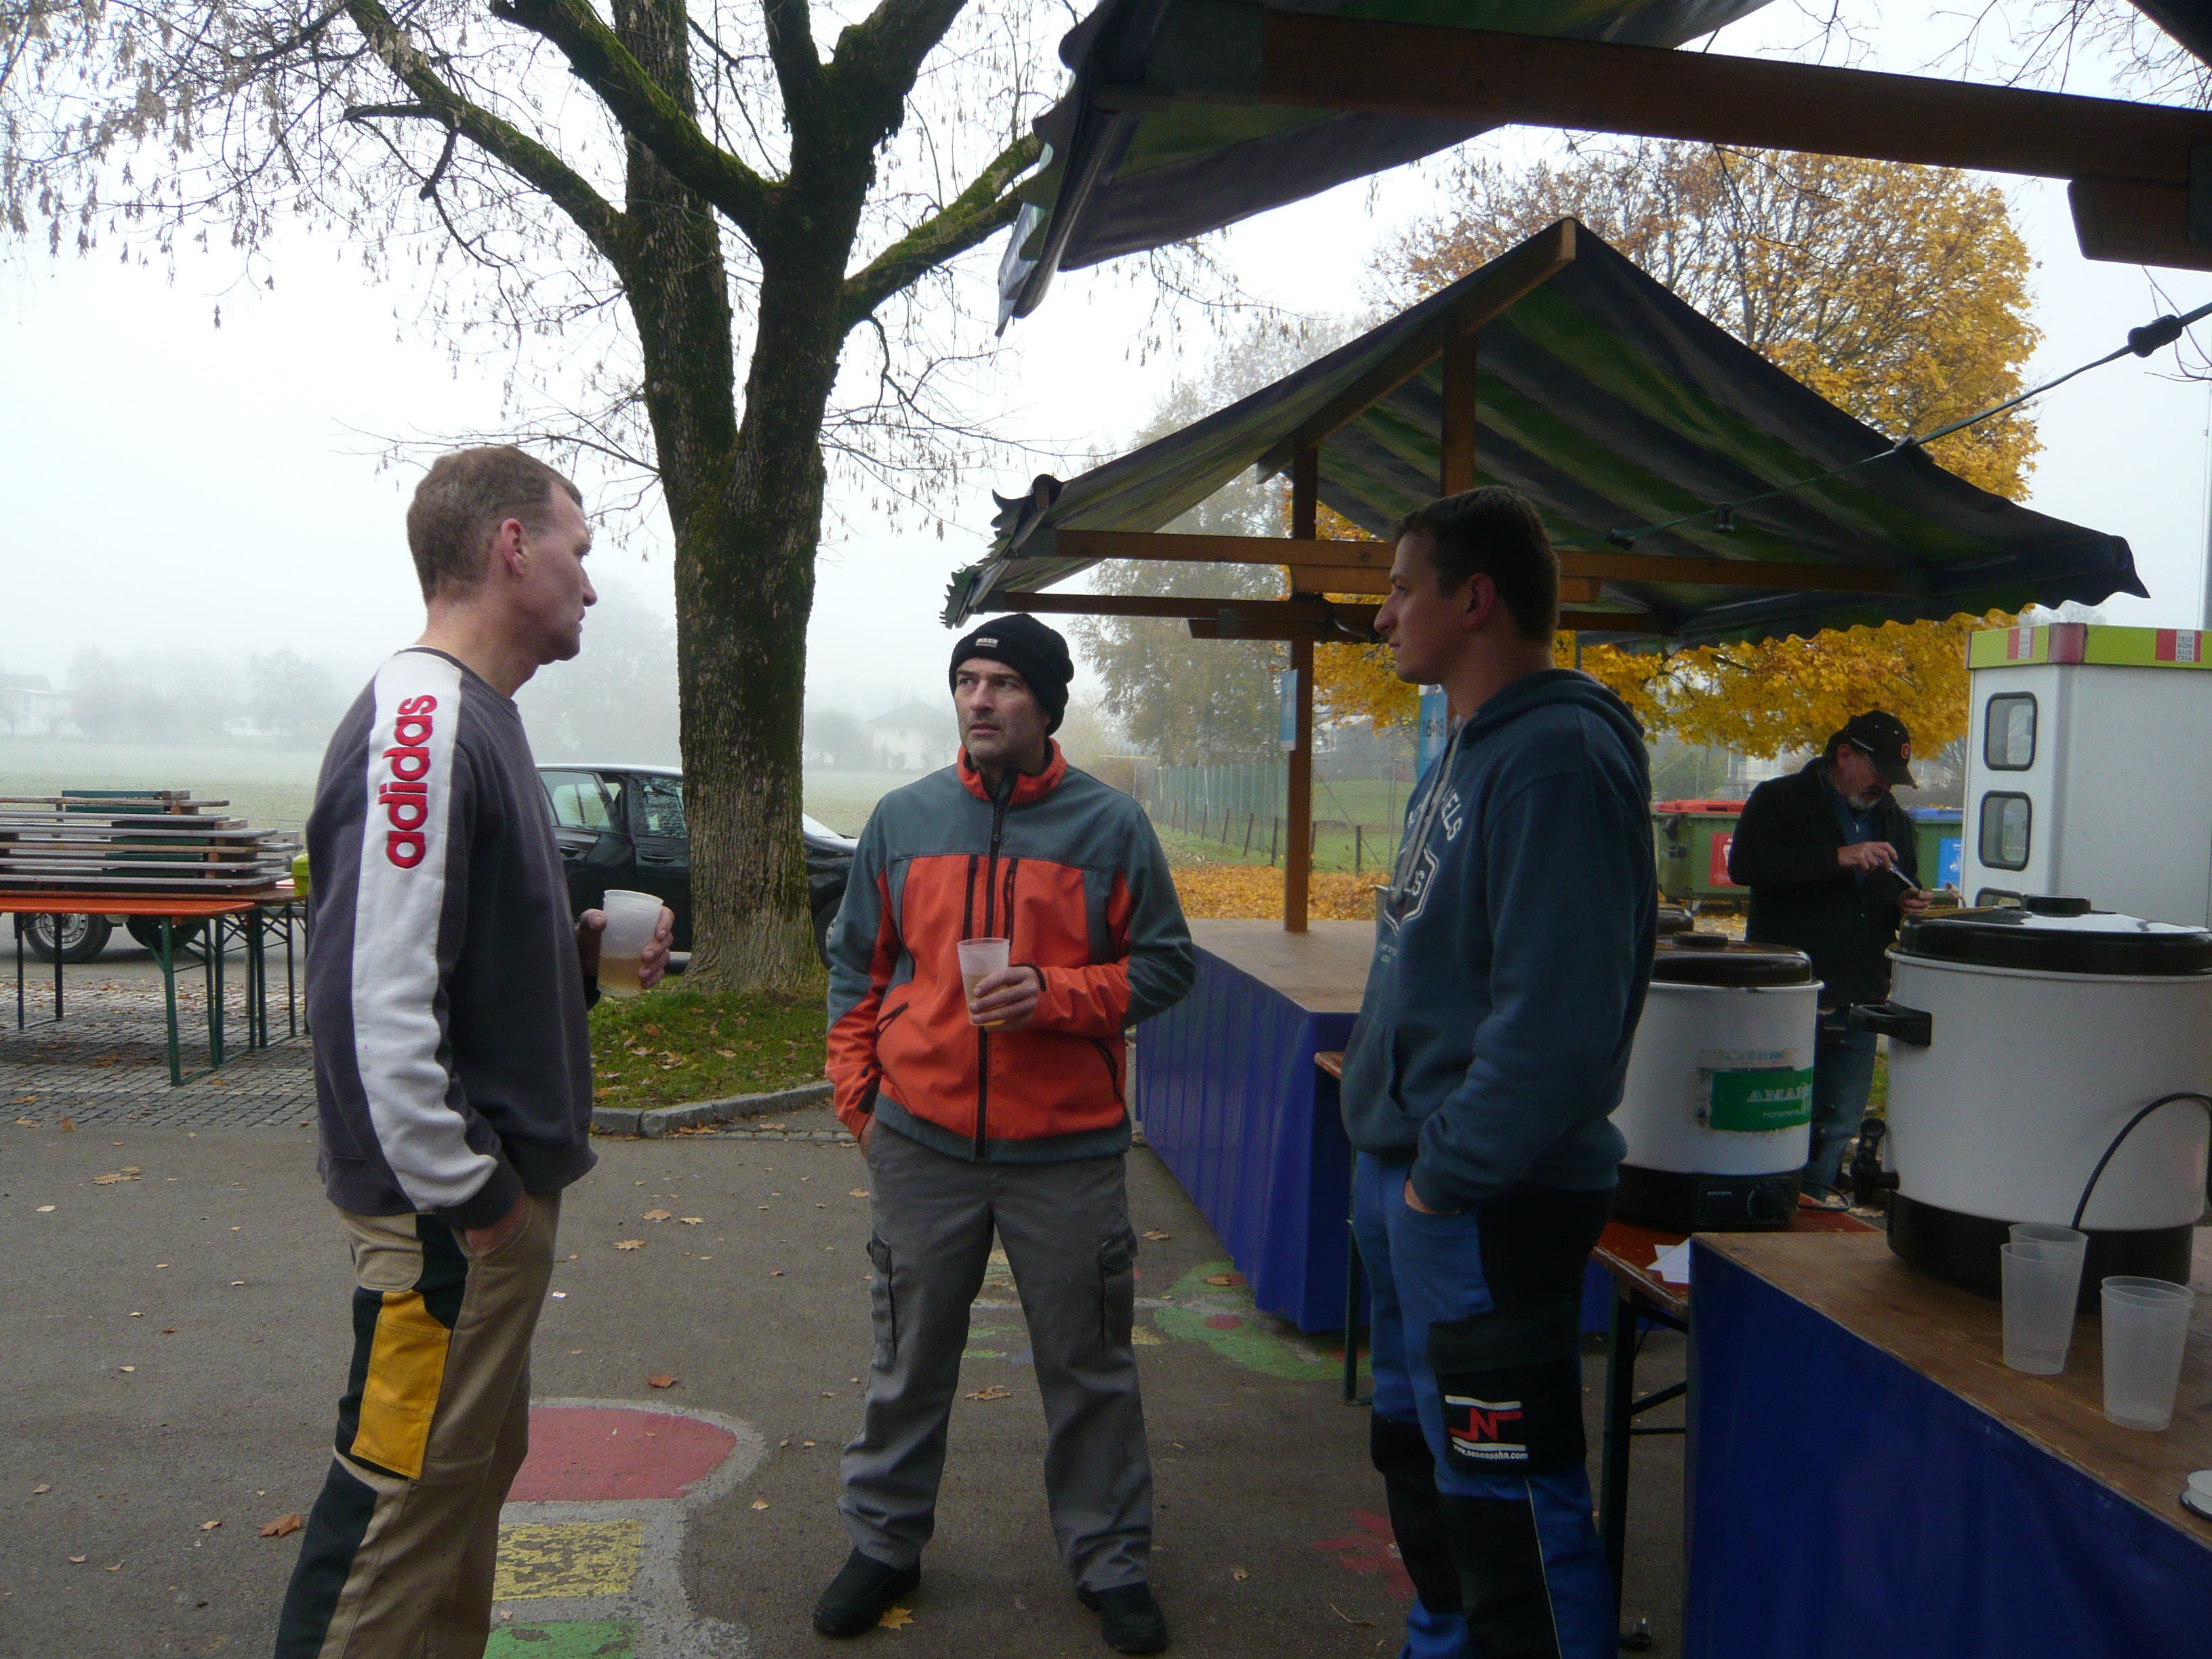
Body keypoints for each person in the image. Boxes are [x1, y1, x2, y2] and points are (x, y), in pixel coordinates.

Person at [274, 446, 673, 1659]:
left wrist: (574, 957)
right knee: (396, 1508)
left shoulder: (474, 715)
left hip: (473, 1209)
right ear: (511, 546)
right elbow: (373, 1007)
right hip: (448, 1224)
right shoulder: (425, 723)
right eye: (578, 552)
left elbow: (438, 957)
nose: (590, 585)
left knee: (459, 1489)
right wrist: (474, 1199)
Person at [817, 613, 1196, 1654]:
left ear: (1046, 705)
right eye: (967, 681)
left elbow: (1167, 964)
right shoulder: (903, 819)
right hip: (922, 1143)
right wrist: (860, 1100)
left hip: (1066, 1153)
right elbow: (858, 967)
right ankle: (884, 1543)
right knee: (908, 1359)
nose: (980, 700)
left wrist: (1057, 995)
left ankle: (1111, 1561)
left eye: (1004, 684)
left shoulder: (1110, 827)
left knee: (1089, 1366)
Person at [1341, 487, 1655, 1659]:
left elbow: (1558, 1021)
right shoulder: (1471, 744)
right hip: (1416, 1178)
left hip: (1484, 1196)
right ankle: (1441, 1641)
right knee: (1419, 1458)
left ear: (1473, 599)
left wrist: (1443, 1179)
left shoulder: (1557, 758)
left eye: (1399, 588)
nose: (1382, 616)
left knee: (1507, 1490)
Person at [1727, 711, 1929, 1203]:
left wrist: (1908, 902)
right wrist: (1837, 857)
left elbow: (1901, 882)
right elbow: (1745, 866)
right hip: (1789, 990)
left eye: (1893, 778)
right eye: (1878, 772)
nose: (1885, 785)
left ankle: (1813, 1205)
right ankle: (1758, 1202)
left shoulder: (1893, 818)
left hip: (1859, 991)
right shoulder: (1780, 799)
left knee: (1839, 1119)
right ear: (1844, 755)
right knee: (1772, 1108)